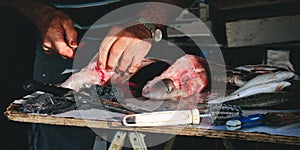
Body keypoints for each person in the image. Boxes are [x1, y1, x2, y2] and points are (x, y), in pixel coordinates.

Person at [9, 0, 194, 149]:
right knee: (59, 133)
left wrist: (145, 23)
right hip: (60, 47)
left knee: (141, 132)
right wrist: (44, 15)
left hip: (141, 45)